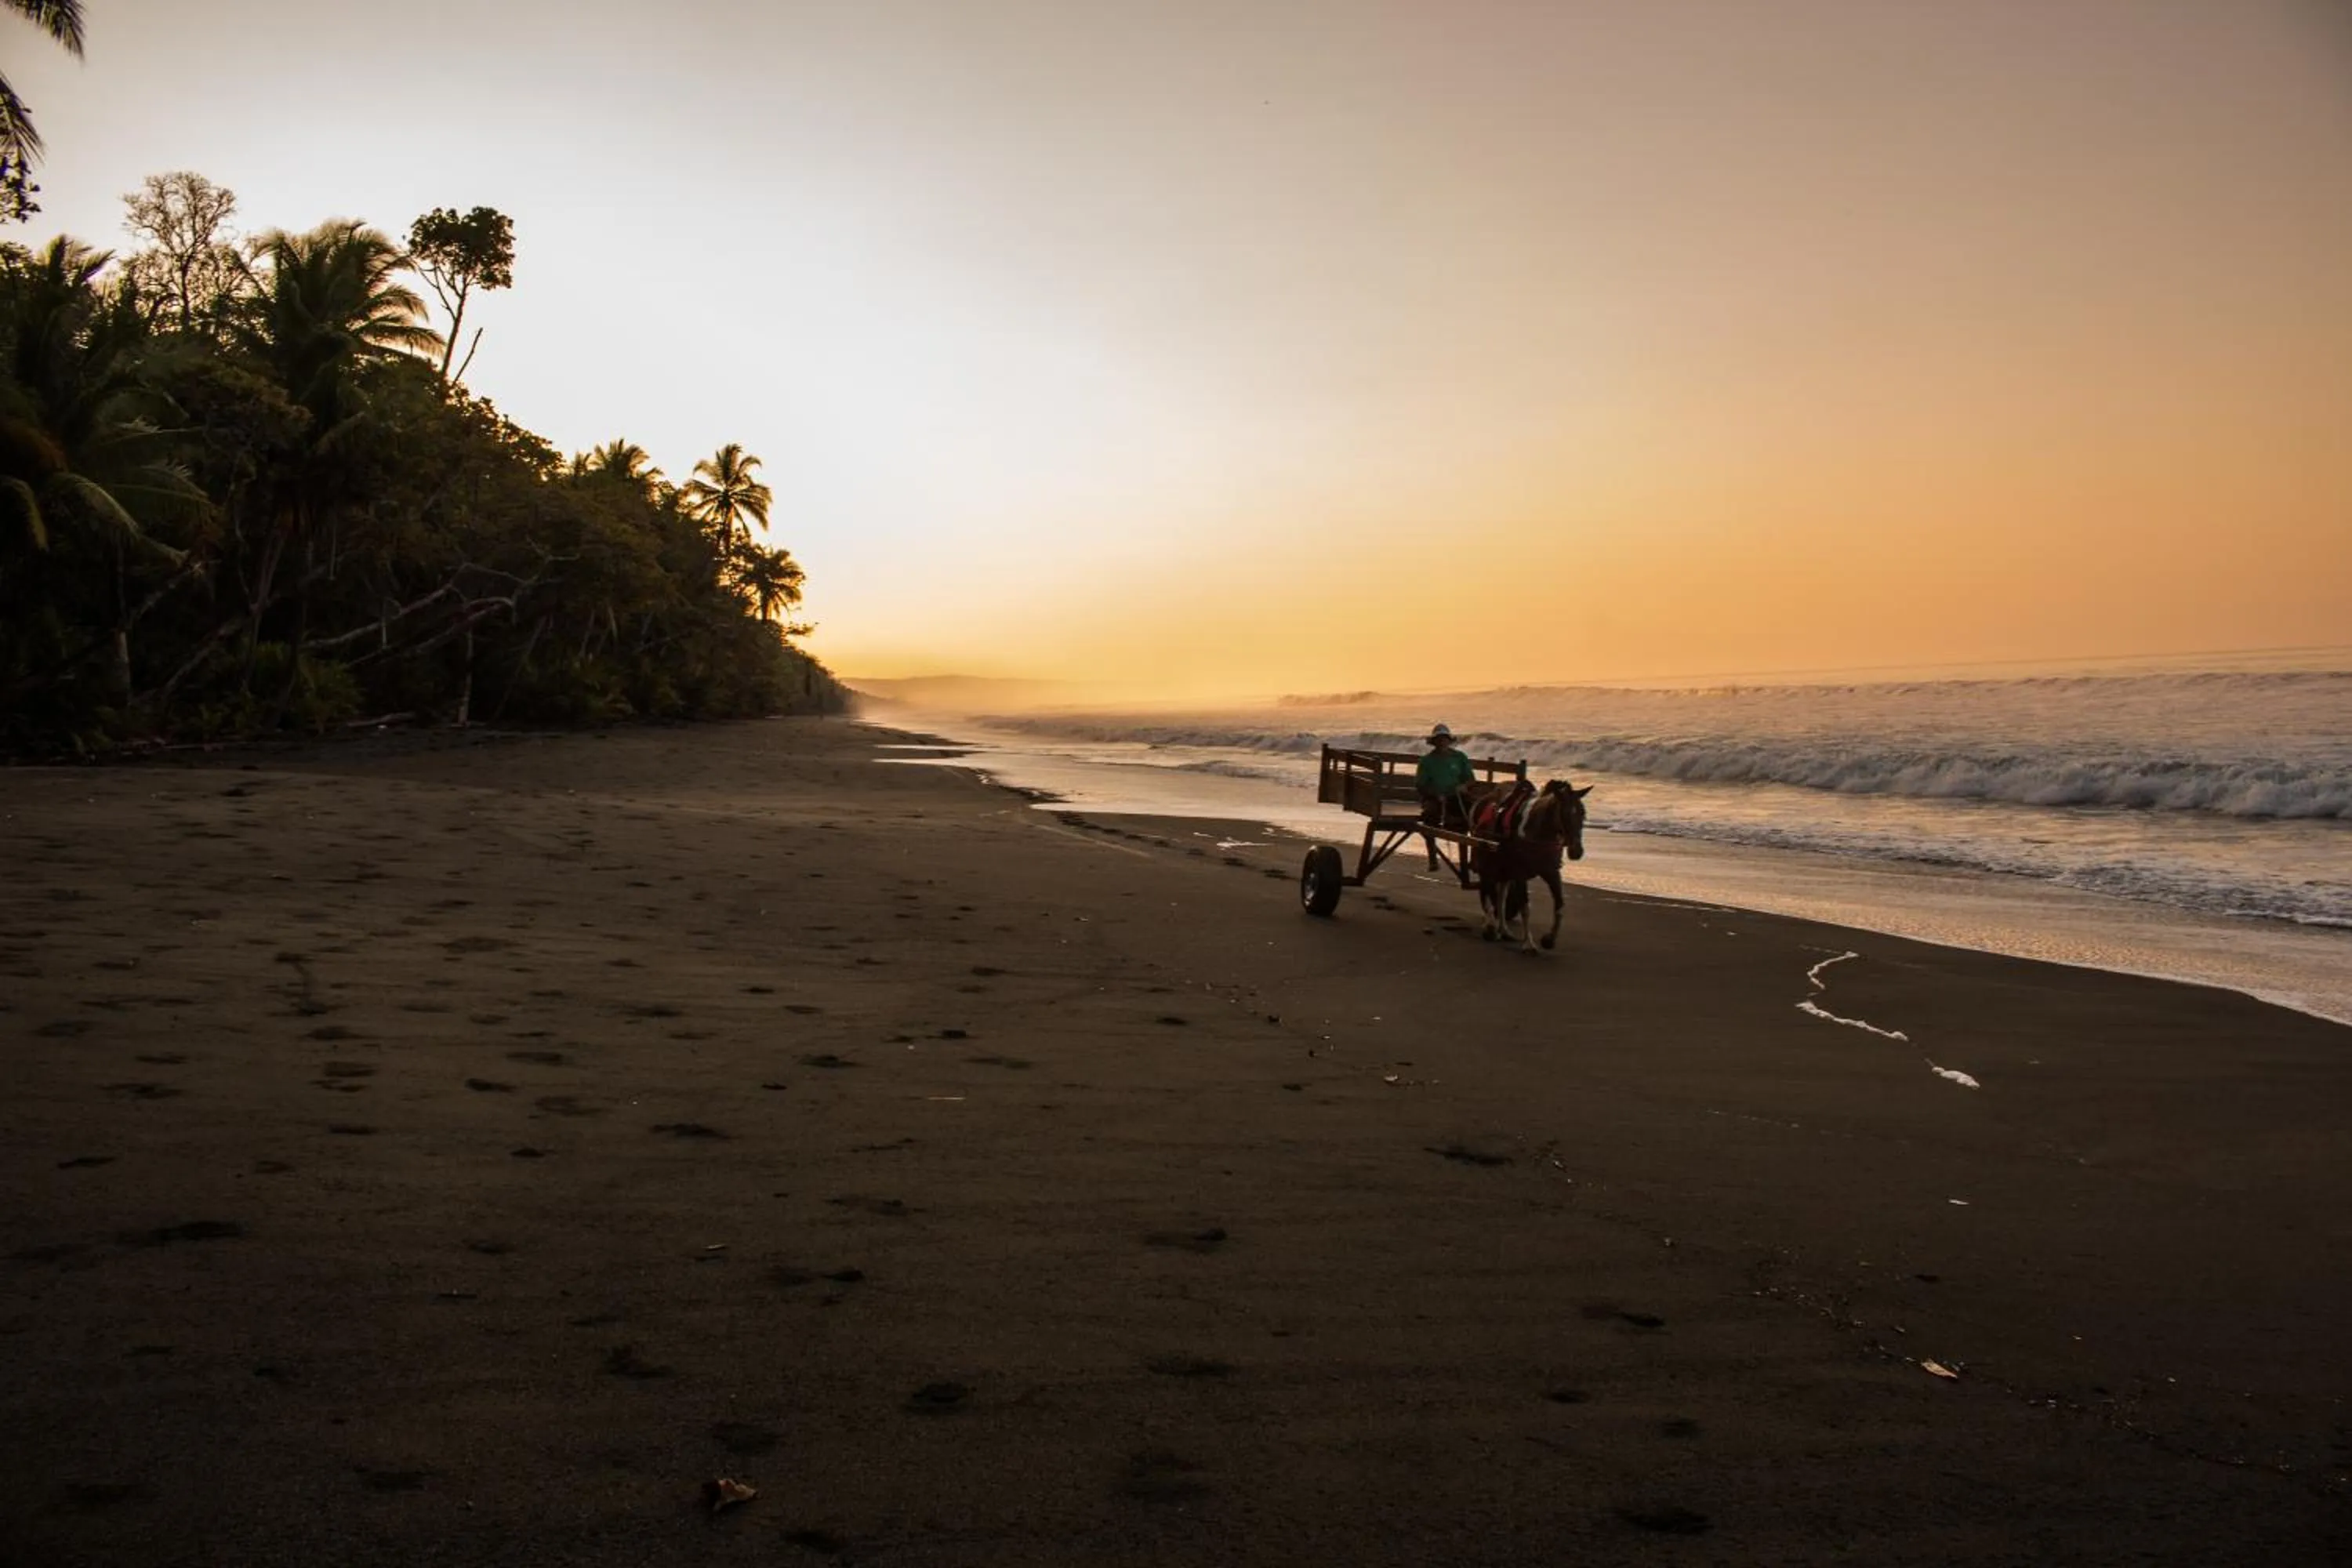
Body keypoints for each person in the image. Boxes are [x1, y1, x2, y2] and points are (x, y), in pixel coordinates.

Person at [1415, 722, 1475, 869]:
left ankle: (1473, 858)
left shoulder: (1460, 757)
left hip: (1456, 797)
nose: (1442, 741)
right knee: (1429, 816)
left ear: (1449, 740)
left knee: (1473, 814)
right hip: (1435, 798)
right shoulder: (1426, 761)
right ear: (1434, 742)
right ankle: (1432, 858)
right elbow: (1421, 785)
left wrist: (1464, 786)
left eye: (1445, 738)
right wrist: (1436, 795)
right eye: (1439, 739)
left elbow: (1471, 779)